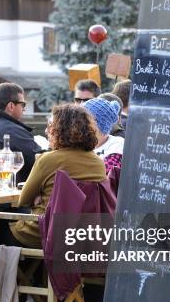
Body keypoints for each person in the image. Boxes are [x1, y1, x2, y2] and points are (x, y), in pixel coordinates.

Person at [10, 103, 106, 247]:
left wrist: (39, 197)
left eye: (50, 125)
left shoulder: (48, 160)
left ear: (60, 130)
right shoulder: (99, 163)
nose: (46, 130)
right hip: (82, 237)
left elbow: (23, 200)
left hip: (46, 233)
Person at [84, 98, 124, 173]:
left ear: (102, 126)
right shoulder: (81, 144)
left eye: (87, 123)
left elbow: (105, 172)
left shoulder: (117, 144)